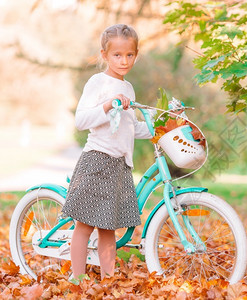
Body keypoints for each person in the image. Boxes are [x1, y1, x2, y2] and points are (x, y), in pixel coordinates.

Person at [61, 24, 152, 280]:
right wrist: (107, 105)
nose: (124, 61)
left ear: (136, 54)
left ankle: (108, 279)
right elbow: (81, 120)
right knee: (85, 225)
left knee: (108, 227)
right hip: (98, 160)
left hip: (119, 165)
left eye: (129, 55)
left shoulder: (129, 88)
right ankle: (77, 279)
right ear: (104, 55)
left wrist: (162, 128)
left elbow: (131, 129)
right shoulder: (98, 82)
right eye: (117, 55)